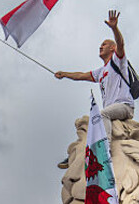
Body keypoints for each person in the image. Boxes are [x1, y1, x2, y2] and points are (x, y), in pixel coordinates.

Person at [54, 10, 134, 142]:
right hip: (111, 108)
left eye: (104, 44)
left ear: (112, 49)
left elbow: (121, 44)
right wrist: (64, 74)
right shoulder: (101, 71)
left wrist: (114, 28)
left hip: (124, 106)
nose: (100, 46)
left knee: (102, 114)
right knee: (93, 123)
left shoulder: (118, 61)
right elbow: (81, 75)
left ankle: (106, 146)